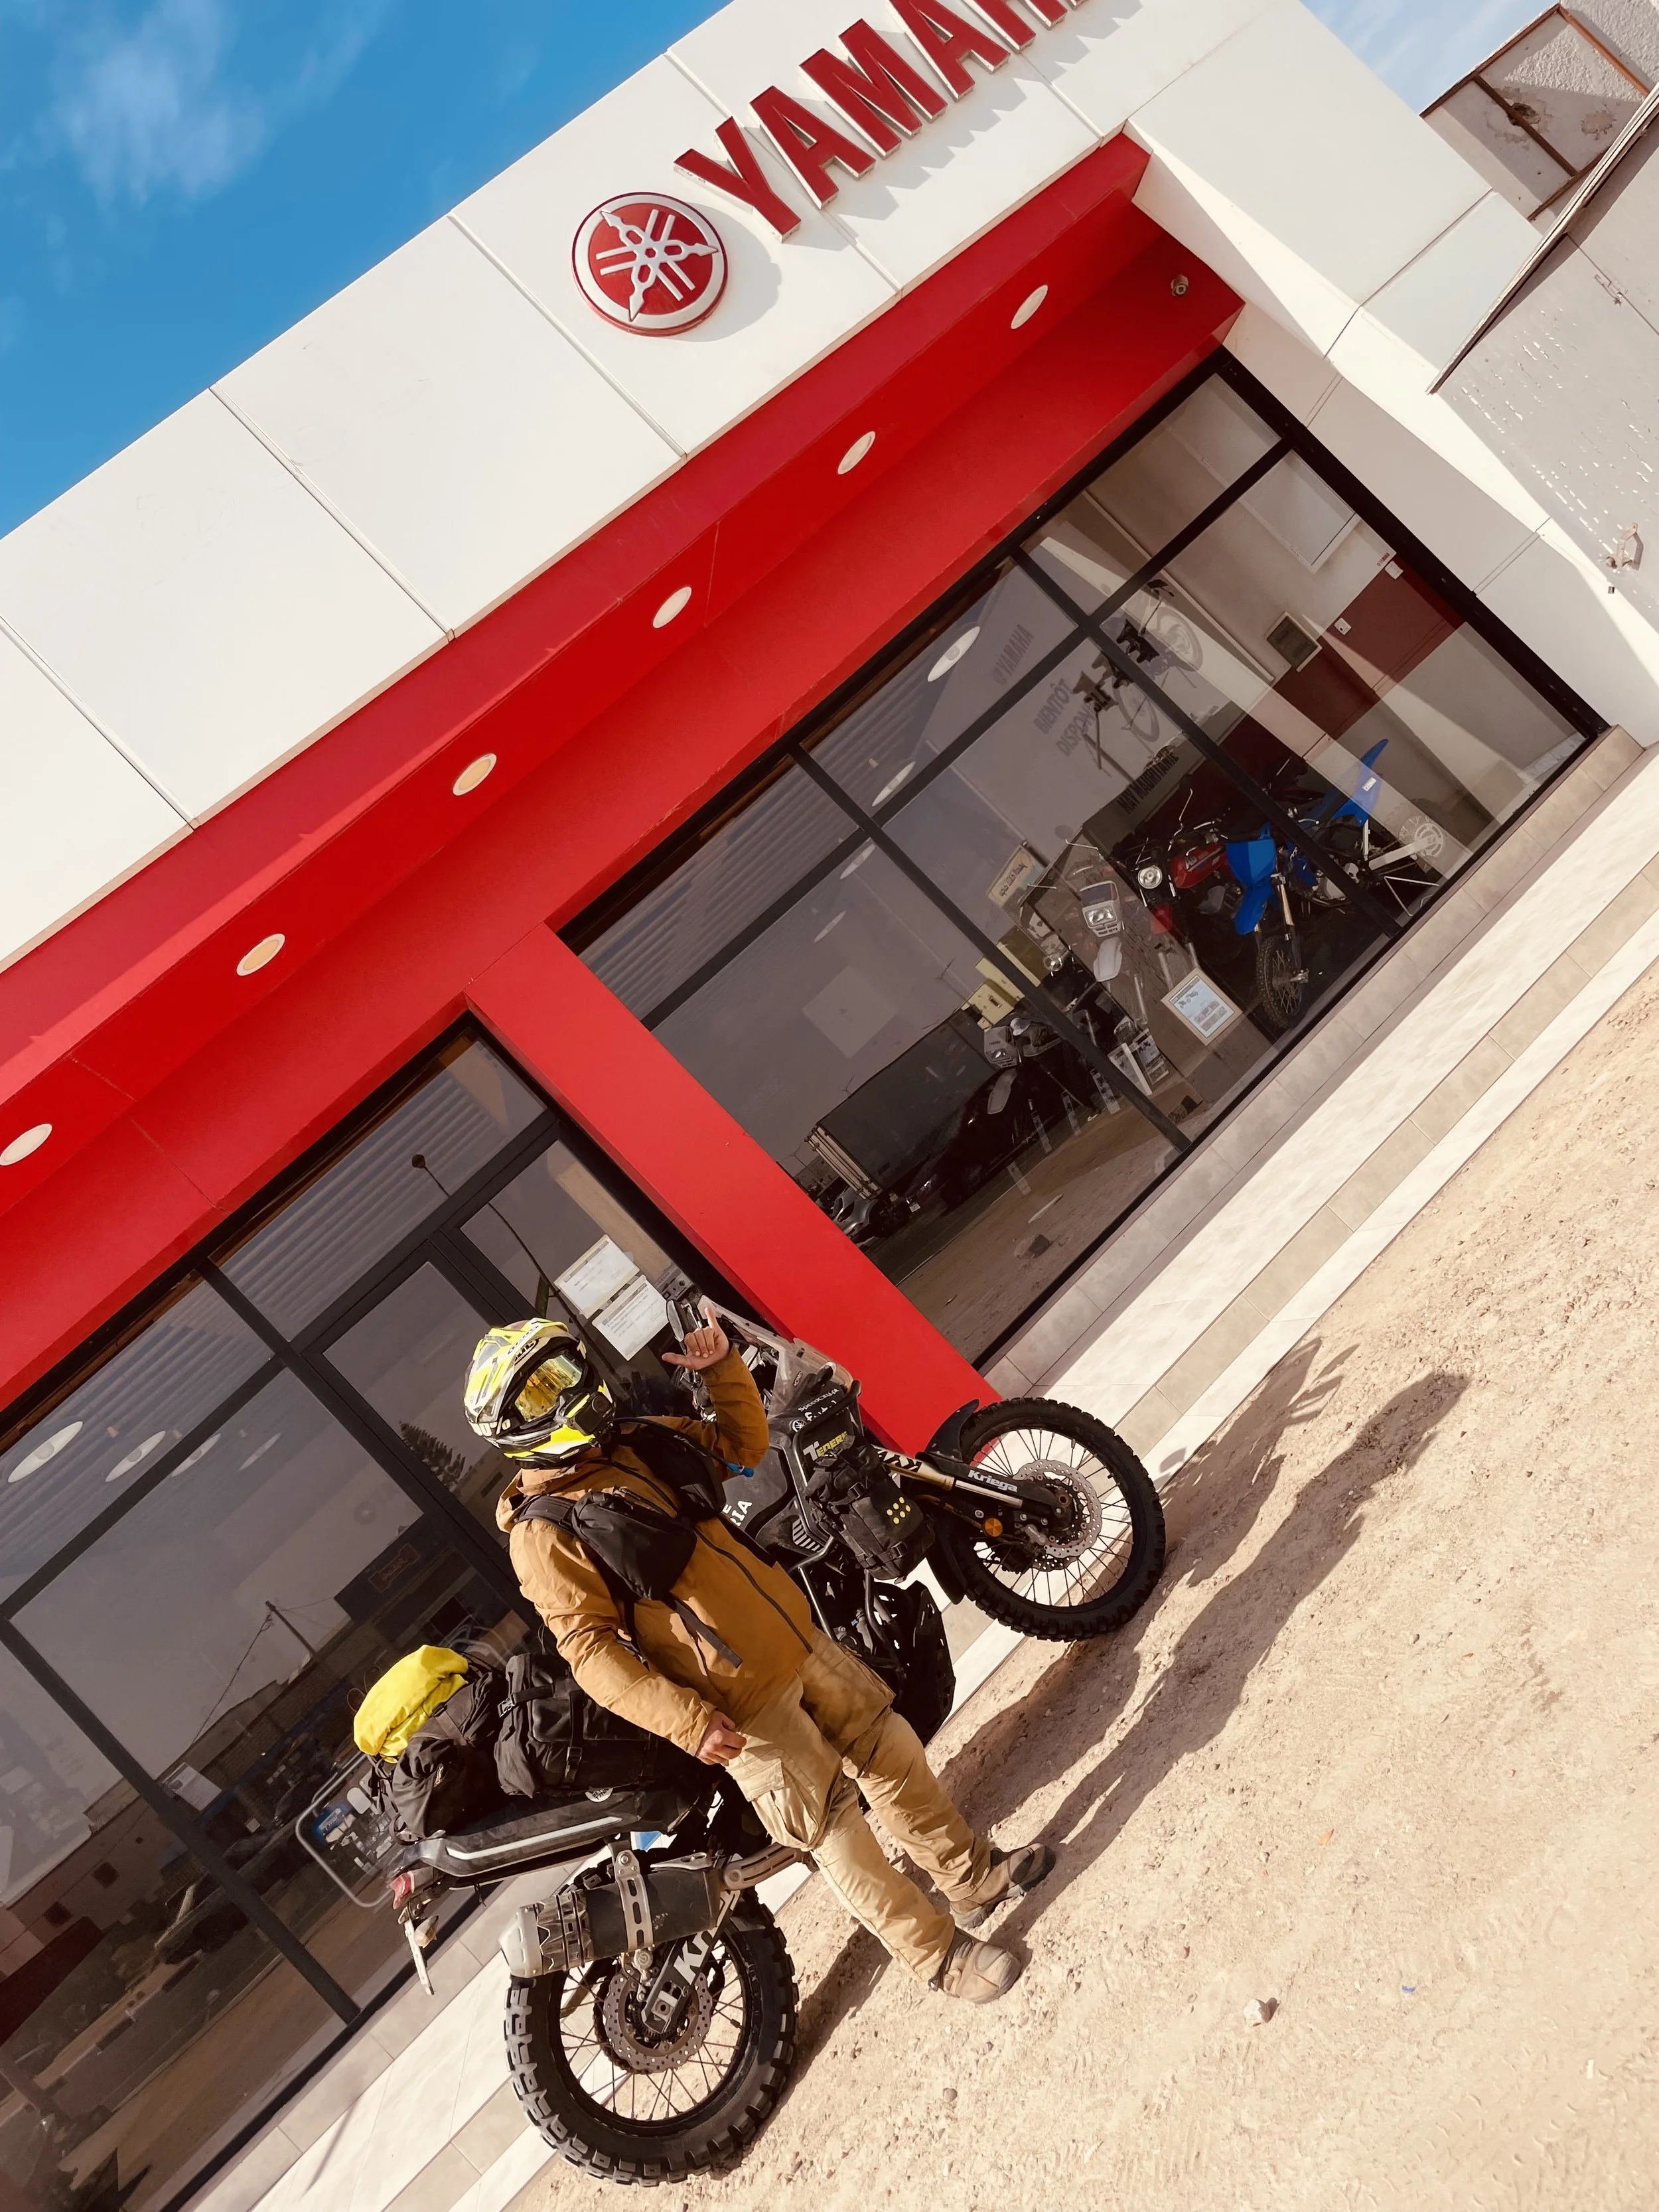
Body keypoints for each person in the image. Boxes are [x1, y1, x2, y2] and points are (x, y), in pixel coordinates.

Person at [463, 1306, 1053, 2001]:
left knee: (892, 1753)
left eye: (561, 1371)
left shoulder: (631, 1442)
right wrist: (685, 1720)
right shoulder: (543, 1534)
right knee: (836, 1829)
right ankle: (942, 1959)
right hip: (741, 1706)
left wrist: (721, 1371)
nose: (565, 1393)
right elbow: (590, 1652)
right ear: (513, 1429)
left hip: (797, 1640)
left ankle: (974, 1879)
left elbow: (741, 1447)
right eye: (539, 1392)